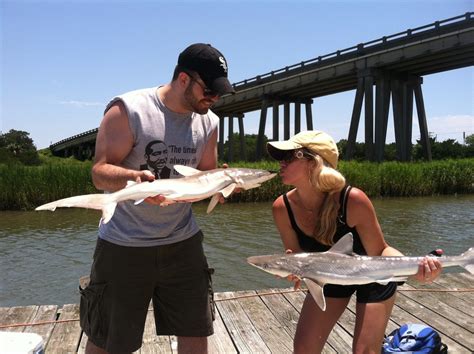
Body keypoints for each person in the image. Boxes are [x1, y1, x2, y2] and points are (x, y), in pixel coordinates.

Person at [80, 43, 235, 354]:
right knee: (109, 337)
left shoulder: (210, 122)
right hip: (124, 244)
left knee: (196, 329)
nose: (214, 99)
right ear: (182, 80)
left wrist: (224, 185)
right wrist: (134, 179)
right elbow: (99, 173)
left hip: (183, 242)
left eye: (219, 93)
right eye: (208, 90)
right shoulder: (129, 109)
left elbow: (206, 177)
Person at [266, 130, 443, 354]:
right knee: (303, 349)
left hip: (374, 276)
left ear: (314, 163)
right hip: (329, 275)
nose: (281, 162)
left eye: (289, 156)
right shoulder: (282, 208)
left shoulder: (352, 200)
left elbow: (380, 250)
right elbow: (298, 255)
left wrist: (415, 268)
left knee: (364, 352)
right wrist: (292, 268)